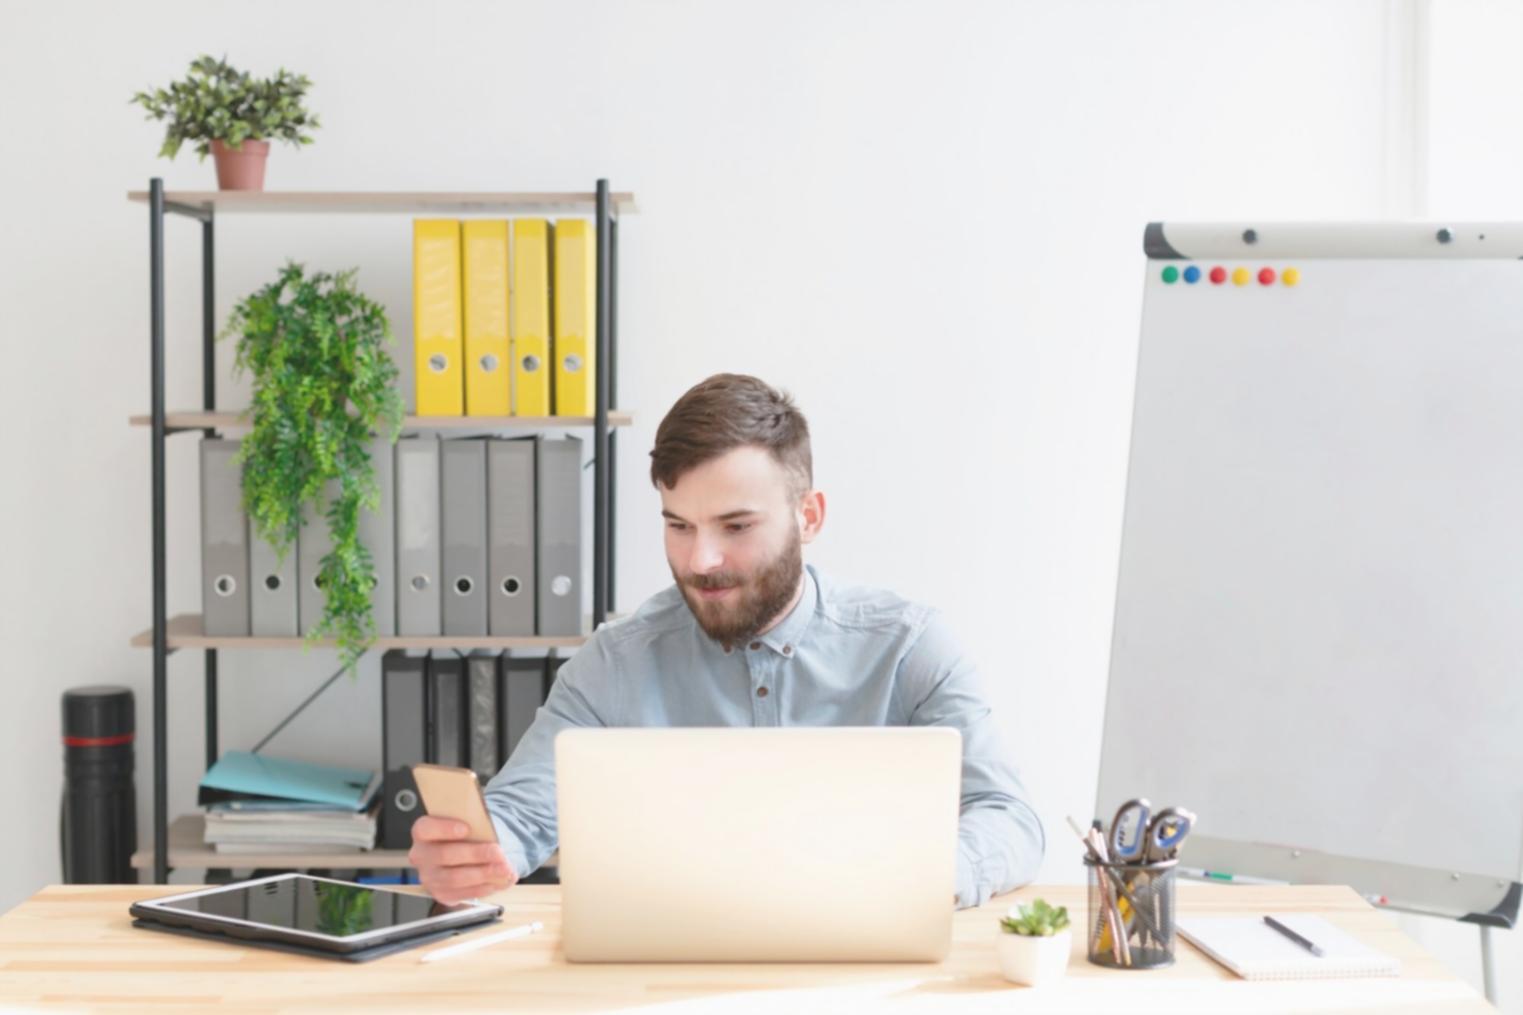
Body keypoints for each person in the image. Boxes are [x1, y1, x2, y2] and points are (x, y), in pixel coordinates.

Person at [410, 373, 1045, 907]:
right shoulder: (615, 662)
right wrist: (475, 854)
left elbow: (1009, 817)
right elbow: (520, 818)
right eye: (679, 525)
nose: (701, 559)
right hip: (658, 980)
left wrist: (912, 878)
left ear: (809, 516)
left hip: (859, 961)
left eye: (735, 525)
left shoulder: (908, 647)